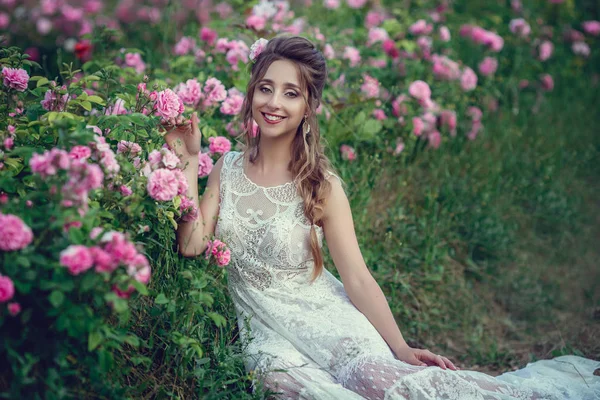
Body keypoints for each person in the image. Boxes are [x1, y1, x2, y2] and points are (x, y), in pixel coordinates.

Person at [163, 35, 599, 399]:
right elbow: (191, 244)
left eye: (291, 93)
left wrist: (401, 347)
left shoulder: (320, 184)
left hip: (329, 323)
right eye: (265, 88)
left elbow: (357, 278)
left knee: (382, 385)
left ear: (309, 106)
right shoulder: (228, 168)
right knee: (287, 389)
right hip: (268, 334)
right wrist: (189, 161)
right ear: (252, 91)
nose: (274, 102)